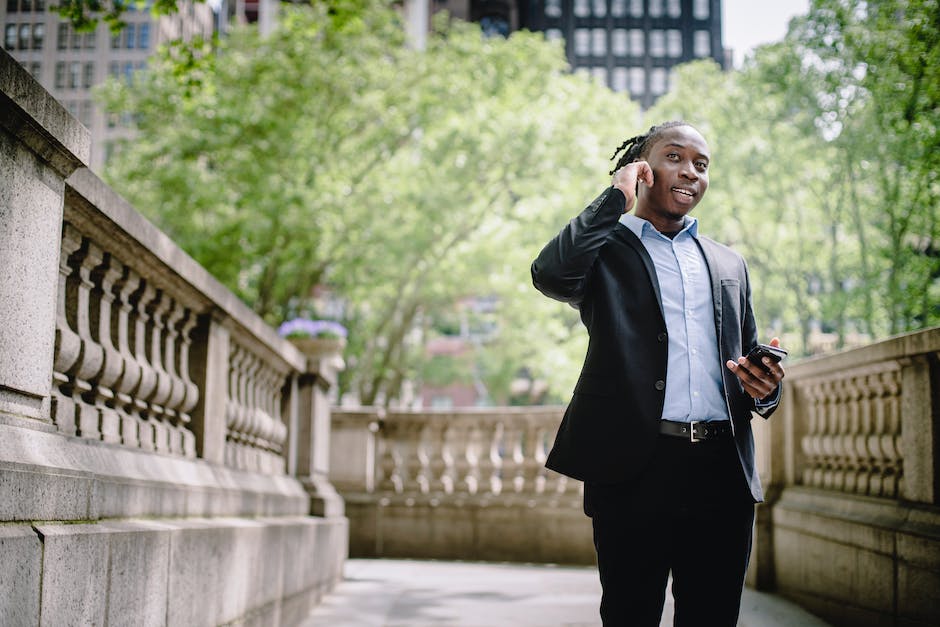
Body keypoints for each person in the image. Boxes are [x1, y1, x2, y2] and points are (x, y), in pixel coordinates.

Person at [530, 121, 785, 626]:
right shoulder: (603, 249)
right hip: (634, 471)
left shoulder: (728, 262)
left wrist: (764, 391)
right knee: (630, 614)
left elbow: (745, 360)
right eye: (674, 157)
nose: (690, 171)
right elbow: (551, 274)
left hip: (721, 473)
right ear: (643, 168)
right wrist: (614, 198)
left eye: (701, 164)